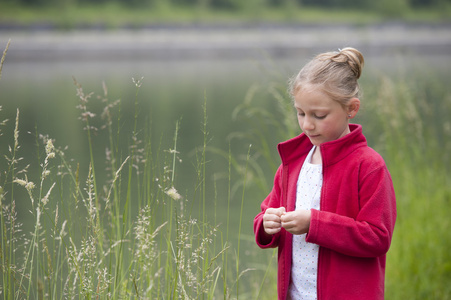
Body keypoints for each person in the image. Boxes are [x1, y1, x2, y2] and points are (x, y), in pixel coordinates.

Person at [253, 47, 397, 300]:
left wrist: (314, 223)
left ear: (351, 108)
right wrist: (267, 224)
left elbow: (377, 237)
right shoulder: (293, 163)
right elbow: (267, 213)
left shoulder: (368, 165)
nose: (307, 124)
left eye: (319, 115)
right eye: (301, 113)